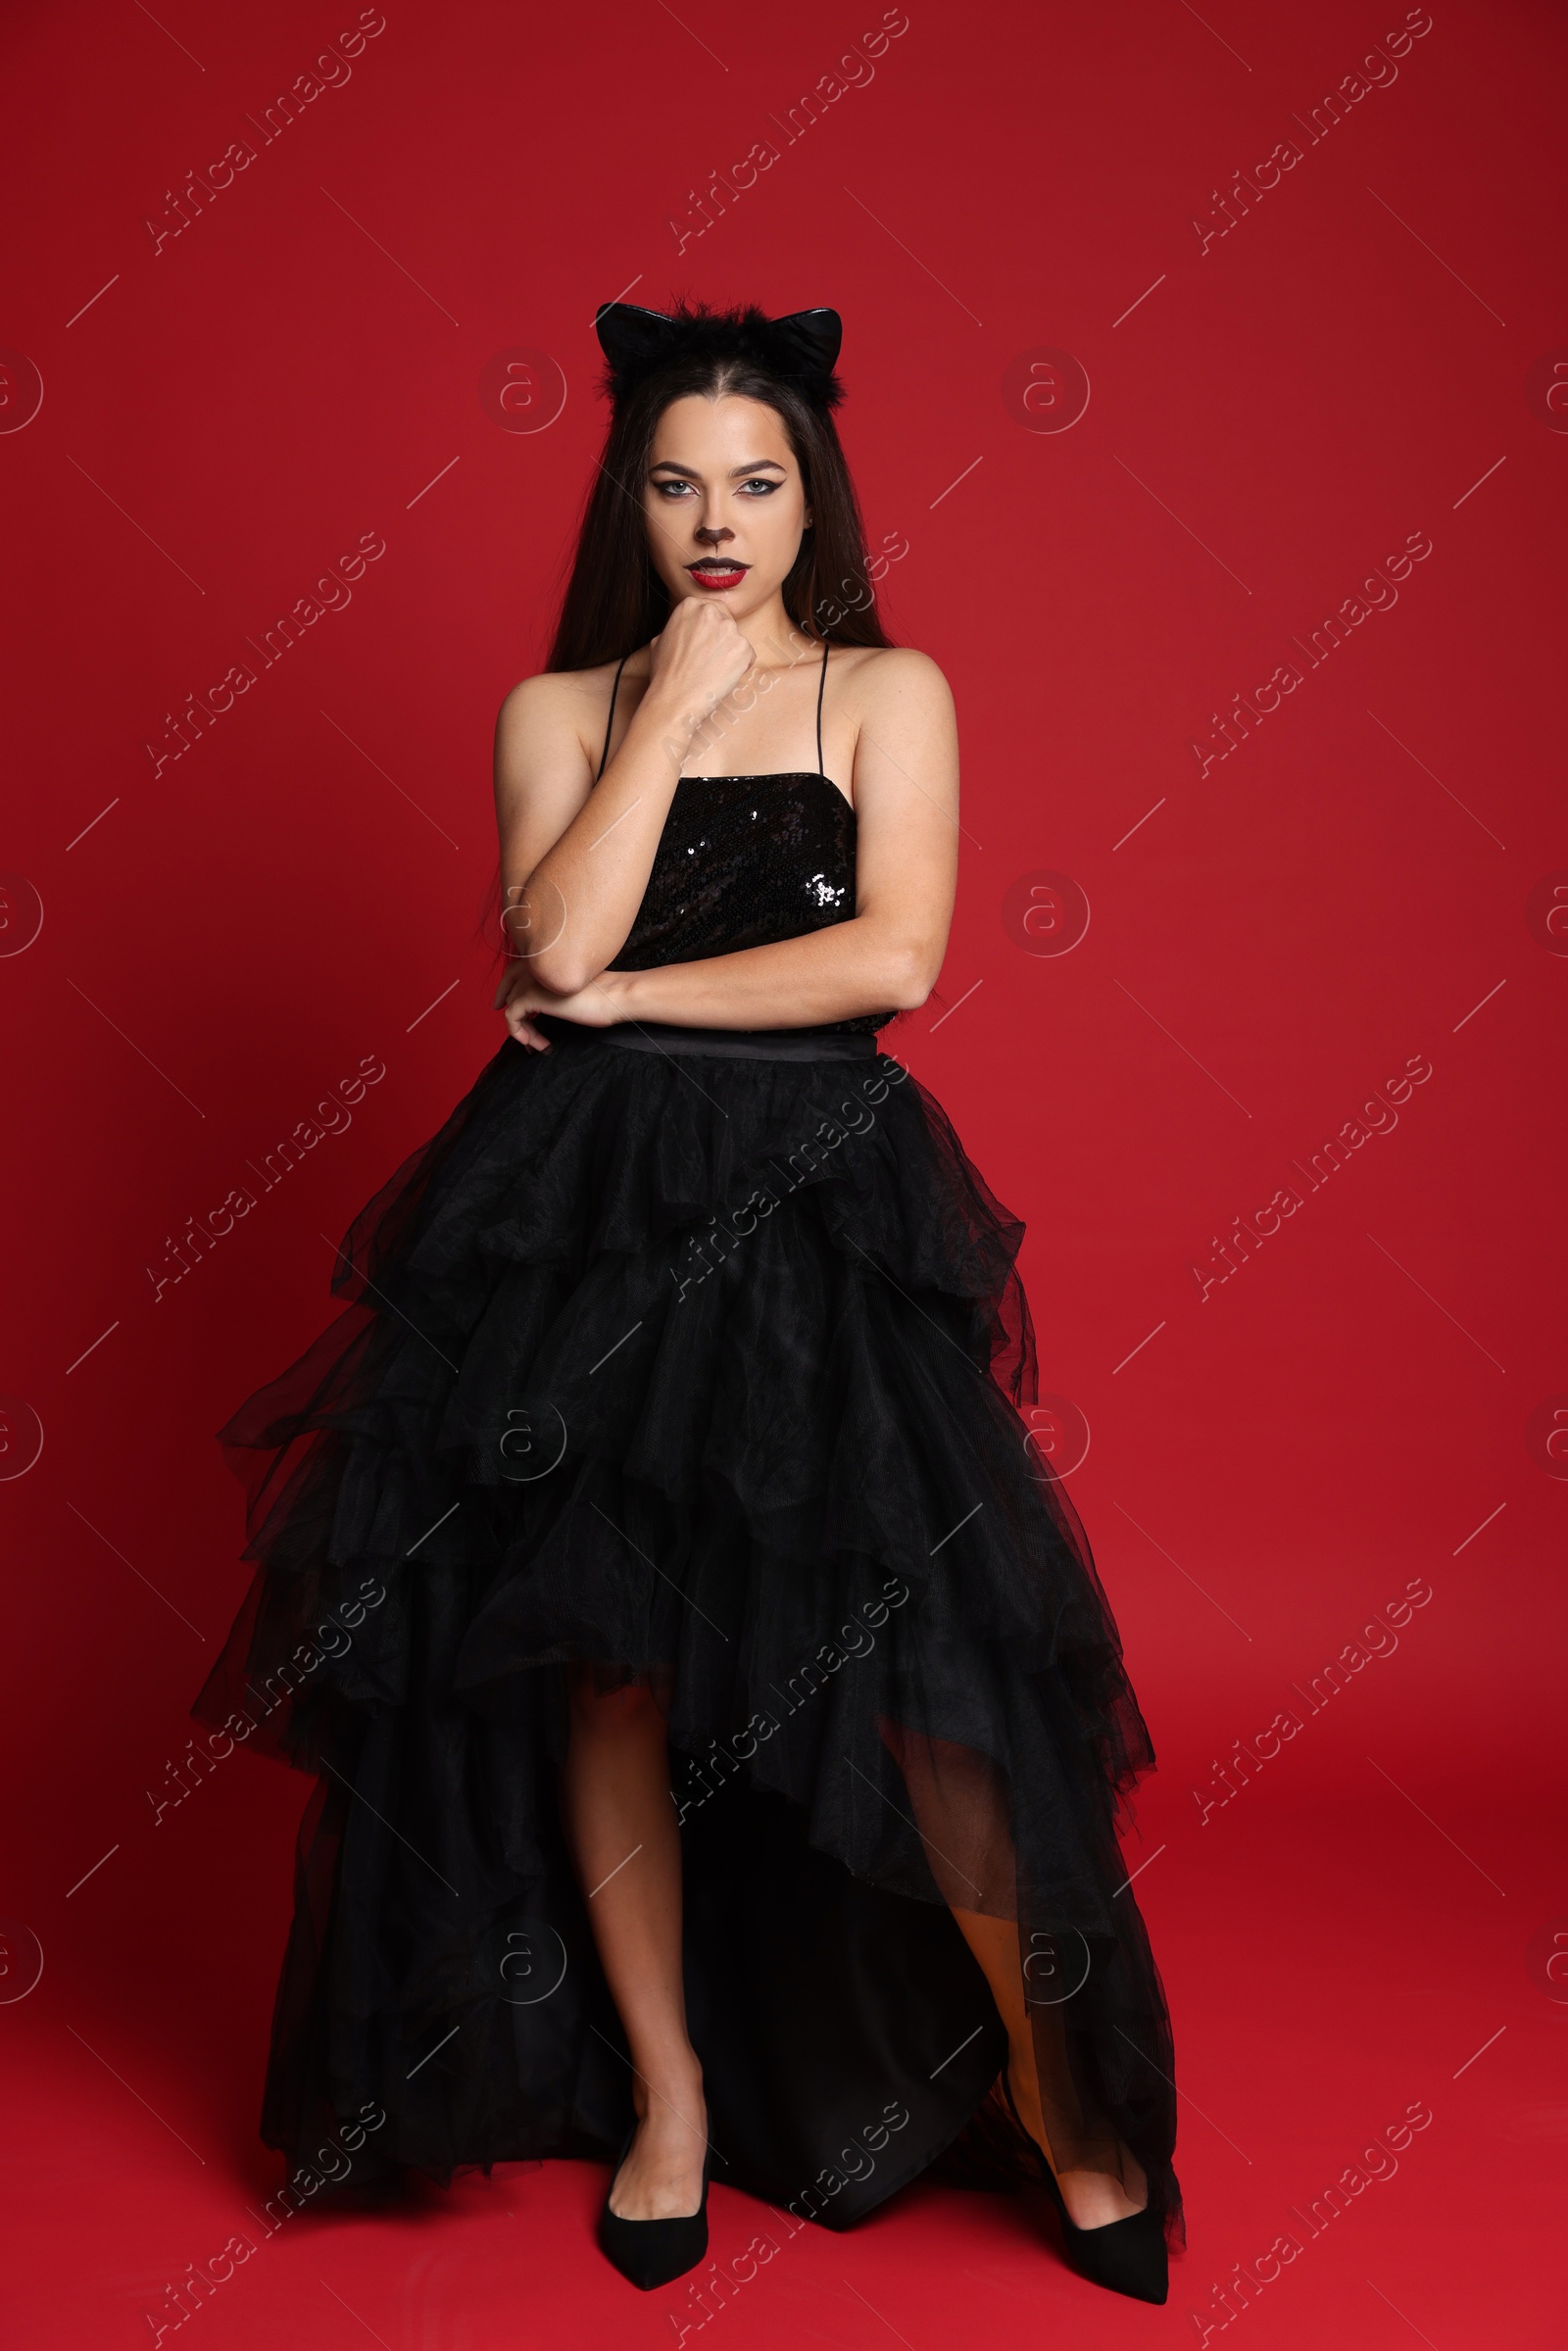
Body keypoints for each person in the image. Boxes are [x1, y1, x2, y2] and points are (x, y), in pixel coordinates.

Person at [195, 299, 1178, 2306]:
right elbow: (539, 933)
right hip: (588, 1213)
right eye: (672, 484)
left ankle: (1064, 2112)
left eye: (753, 481)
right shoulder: (556, 709)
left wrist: (633, 997)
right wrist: (660, 711)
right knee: (607, 1669)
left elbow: (886, 957)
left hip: (812, 1201)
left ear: (809, 490)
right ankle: (666, 2103)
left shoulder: (887, 691)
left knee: (925, 1689)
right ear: (625, 501)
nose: (713, 520)